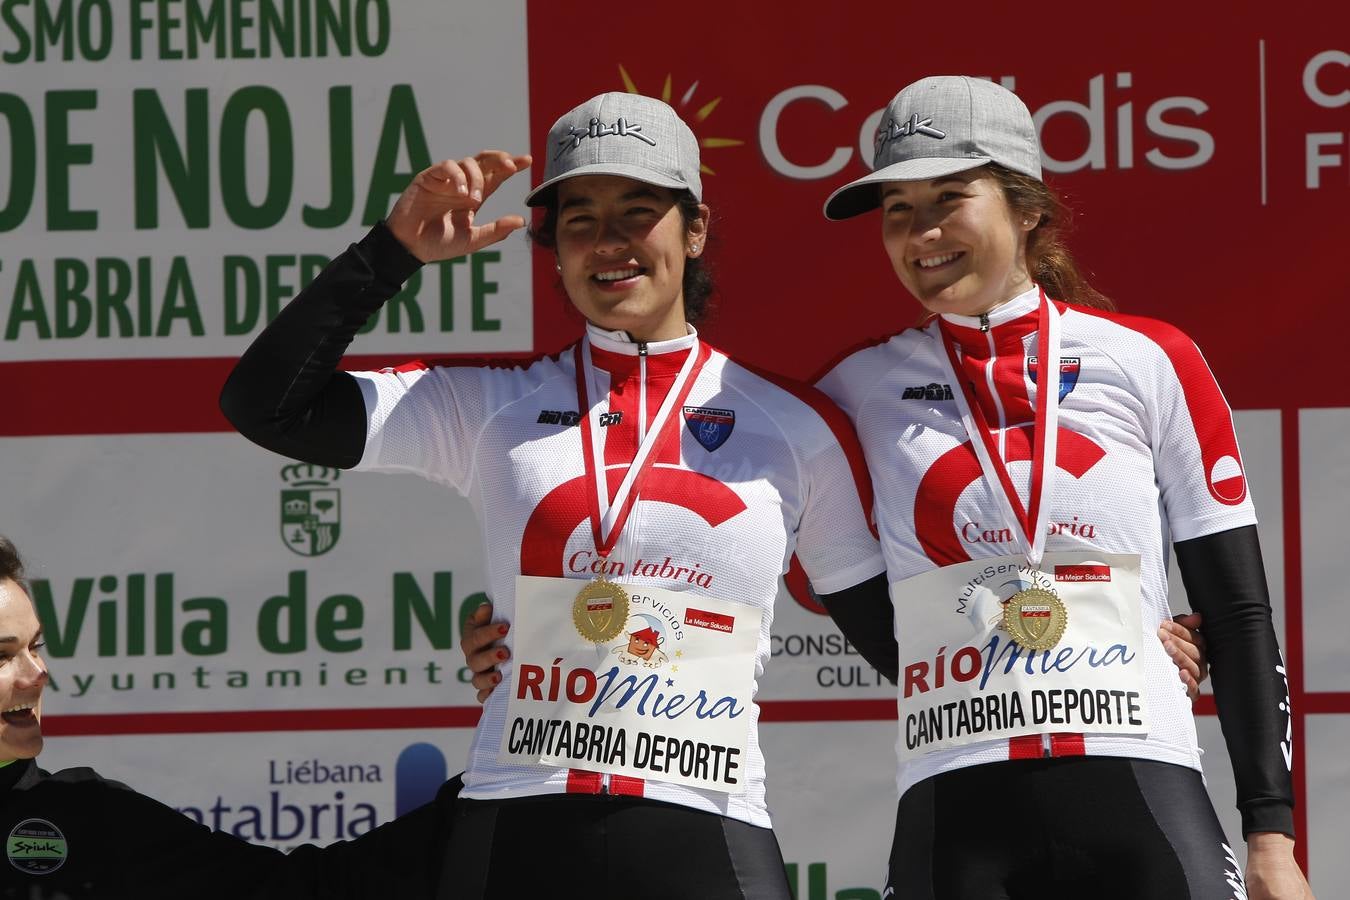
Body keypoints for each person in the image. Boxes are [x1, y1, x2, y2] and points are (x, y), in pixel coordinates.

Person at [219, 92, 892, 899]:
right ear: (553, 244)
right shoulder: (488, 408)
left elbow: (901, 646)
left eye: (637, 213)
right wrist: (391, 252)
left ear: (696, 228)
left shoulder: (796, 427)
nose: (607, 243)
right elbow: (267, 405)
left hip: (705, 830)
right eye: (579, 220)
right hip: (516, 823)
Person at [811, 75, 1311, 899]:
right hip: (956, 799)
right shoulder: (851, 394)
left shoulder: (1147, 360)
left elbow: (1240, 610)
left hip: (1141, 784)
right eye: (896, 209)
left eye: (949, 198)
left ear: (1028, 209)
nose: (920, 232)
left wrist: (1272, 838)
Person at [0, 534, 466, 900]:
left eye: (36, 647)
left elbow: (302, 889)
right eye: (3, 657)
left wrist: (492, 782)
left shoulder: (90, 816)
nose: (38, 675)